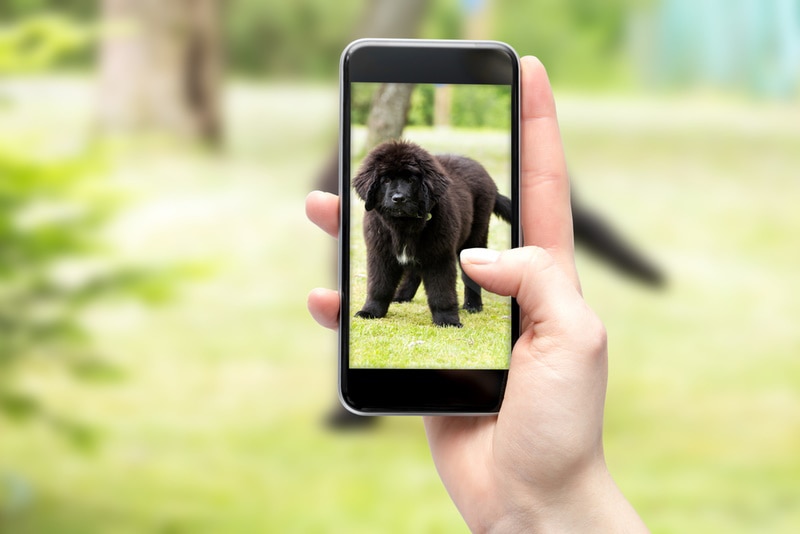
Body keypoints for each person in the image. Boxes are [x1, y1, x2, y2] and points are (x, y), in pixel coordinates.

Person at [305, 56, 649, 532]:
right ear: (372, 188)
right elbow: (377, 262)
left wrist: (446, 312)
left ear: (427, 189)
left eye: (409, 184)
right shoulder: (373, 218)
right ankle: (389, 300)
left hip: (465, 214)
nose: (400, 193)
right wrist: (372, 306)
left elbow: (443, 262)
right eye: (391, 184)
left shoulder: (448, 204)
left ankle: (463, 301)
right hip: (394, 244)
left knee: (464, 259)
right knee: (385, 269)